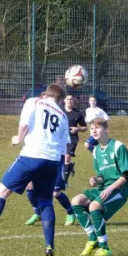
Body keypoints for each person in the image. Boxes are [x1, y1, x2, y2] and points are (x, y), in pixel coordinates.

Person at [0, 84, 70, 256]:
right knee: (46, 201)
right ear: (60, 99)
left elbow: (24, 124)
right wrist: (63, 169)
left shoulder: (34, 102)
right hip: (52, 161)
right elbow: (65, 146)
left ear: (46, 93)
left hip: (32, 156)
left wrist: (18, 138)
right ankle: (49, 246)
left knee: (2, 192)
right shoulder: (63, 116)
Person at [72, 117, 128, 256]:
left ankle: (104, 247)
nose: (94, 131)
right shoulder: (96, 151)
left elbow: (126, 174)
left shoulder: (118, 146)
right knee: (76, 201)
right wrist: (96, 181)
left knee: (94, 206)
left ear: (106, 130)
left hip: (120, 189)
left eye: (97, 128)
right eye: (92, 129)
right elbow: (101, 177)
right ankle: (92, 239)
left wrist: (110, 188)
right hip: (104, 187)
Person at [24, 94, 87, 226]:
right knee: (29, 185)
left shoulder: (63, 116)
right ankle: (37, 212)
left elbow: (82, 128)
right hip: (42, 156)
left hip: (57, 158)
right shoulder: (47, 117)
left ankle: (70, 212)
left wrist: (77, 129)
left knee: (55, 193)